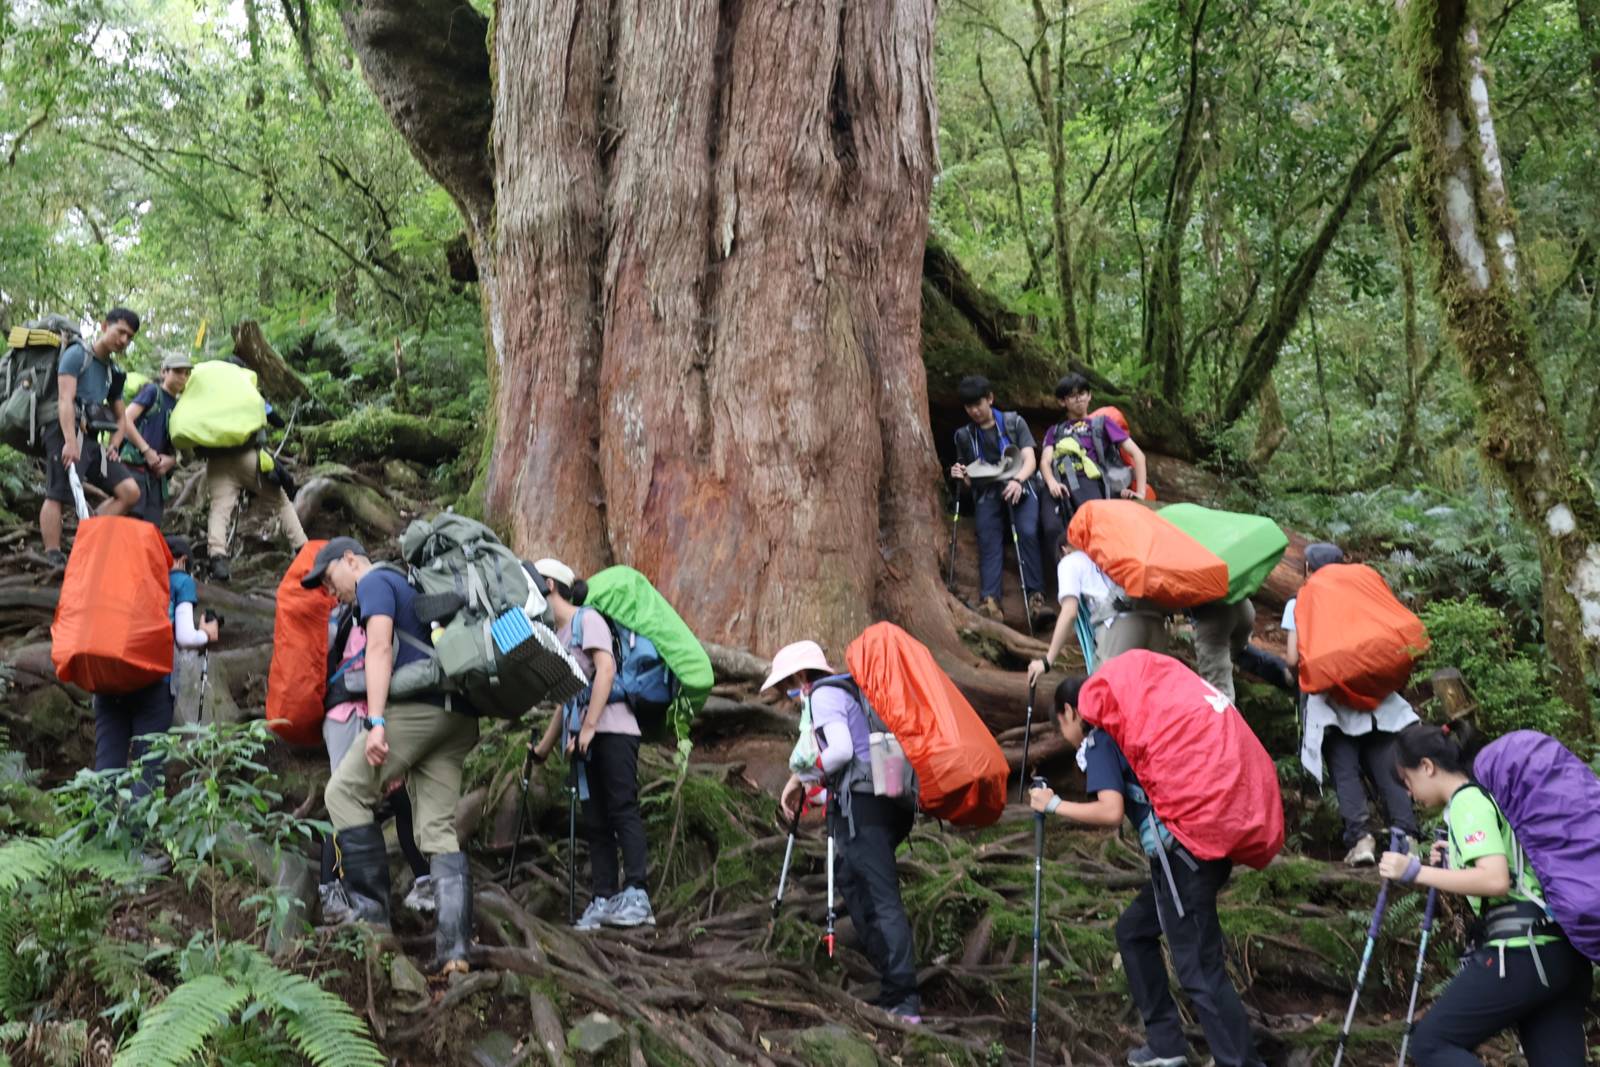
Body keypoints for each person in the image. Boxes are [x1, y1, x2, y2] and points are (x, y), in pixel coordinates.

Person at [1029, 677, 1265, 1067]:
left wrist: (1053, 805)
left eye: (1061, 723)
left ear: (1070, 712)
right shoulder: (1125, 733)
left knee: (1200, 970)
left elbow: (1110, 810)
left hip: (1183, 863)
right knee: (1134, 932)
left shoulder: (1101, 740)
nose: (1064, 733)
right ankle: (1167, 1044)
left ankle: (1241, 1062)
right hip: (1192, 855)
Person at [1377, 722, 1593, 1065]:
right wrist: (1452, 863)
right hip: (1562, 956)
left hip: (1523, 952)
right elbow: (1510, 868)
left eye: (1407, 781)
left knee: (1430, 1044)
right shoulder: (1491, 797)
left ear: (1428, 767)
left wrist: (1414, 871)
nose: (1409, 794)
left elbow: (1494, 881)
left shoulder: (1467, 802)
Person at [310, 537, 477, 973]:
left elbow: (380, 647)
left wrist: (377, 721)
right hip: (458, 718)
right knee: (437, 829)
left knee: (343, 794)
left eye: (331, 580)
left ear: (351, 560)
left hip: (418, 712)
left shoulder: (375, 582)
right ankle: (454, 952)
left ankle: (373, 926)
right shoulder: (411, 585)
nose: (333, 592)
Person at [764, 640, 922, 1022]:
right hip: (882, 801)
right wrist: (812, 788)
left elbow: (840, 752)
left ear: (803, 677)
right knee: (854, 883)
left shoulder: (822, 695)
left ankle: (904, 999)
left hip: (865, 810)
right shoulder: (849, 692)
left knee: (881, 898)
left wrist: (802, 776)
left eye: (789, 684)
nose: (792, 693)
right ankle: (892, 987)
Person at [530, 558, 655, 931]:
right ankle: (604, 897)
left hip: (613, 730)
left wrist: (589, 727)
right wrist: (544, 749)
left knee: (622, 809)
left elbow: (606, 669)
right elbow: (565, 701)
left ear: (549, 584)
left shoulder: (588, 620)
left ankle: (637, 895)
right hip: (582, 740)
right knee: (596, 820)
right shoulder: (559, 635)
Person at [1283, 543, 1419, 866]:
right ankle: (1407, 840)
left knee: (1345, 771)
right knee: (1388, 769)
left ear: (1307, 569)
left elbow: (1292, 658)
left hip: (1333, 703)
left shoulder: (1302, 600)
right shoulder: (1363, 589)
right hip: (1378, 698)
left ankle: (1362, 841)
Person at [316, 606, 436, 925]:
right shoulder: (367, 619)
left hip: (367, 716)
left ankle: (420, 881)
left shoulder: (369, 616)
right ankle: (332, 891)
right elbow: (374, 669)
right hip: (350, 715)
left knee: (398, 799)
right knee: (341, 798)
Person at [40, 308, 144, 566]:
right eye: (120, 332)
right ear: (104, 325)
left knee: (130, 492)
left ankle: (87, 536)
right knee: (57, 493)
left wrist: (115, 445)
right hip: (63, 431)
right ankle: (52, 553)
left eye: (129, 337)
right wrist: (69, 441)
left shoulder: (115, 373)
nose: (123, 340)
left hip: (92, 439)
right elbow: (65, 399)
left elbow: (121, 418)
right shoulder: (77, 355)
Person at [948, 374, 1053, 622]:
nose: (974, 411)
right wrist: (959, 474)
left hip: (1020, 486)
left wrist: (1017, 481)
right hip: (988, 493)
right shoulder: (965, 436)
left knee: (1027, 531)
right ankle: (991, 602)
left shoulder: (1014, 423)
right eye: (968, 406)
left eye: (978, 404)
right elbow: (969, 479)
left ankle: (1036, 598)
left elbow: (1030, 458)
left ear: (990, 399)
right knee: (987, 536)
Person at [203, 365, 305, 581]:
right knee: (281, 502)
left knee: (220, 508)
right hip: (247, 456)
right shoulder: (247, 391)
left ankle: (217, 557)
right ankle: (302, 548)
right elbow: (277, 420)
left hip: (216, 462)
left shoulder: (207, 396)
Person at [1027, 545, 1169, 687]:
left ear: (1064, 549)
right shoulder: (1111, 551)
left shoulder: (1069, 561)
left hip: (1120, 626)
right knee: (1154, 695)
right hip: (1155, 621)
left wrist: (1047, 660)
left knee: (1101, 695)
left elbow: (1069, 612)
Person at [1039, 373, 1148, 522]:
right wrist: (1052, 483)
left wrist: (1141, 494)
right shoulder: (1055, 430)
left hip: (1090, 479)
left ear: (1090, 396)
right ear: (1062, 401)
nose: (1078, 398)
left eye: (1082, 393)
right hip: (1059, 483)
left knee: (1092, 523)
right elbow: (1045, 461)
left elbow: (1138, 454)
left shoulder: (1102, 423)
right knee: (1052, 530)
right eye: (1072, 395)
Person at [110, 353, 191, 527]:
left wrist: (171, 461)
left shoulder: (179, 405)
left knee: (151, 525)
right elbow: (126, 419)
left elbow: (177, 445)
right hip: (135, 465)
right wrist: (146, 451)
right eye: (177, 371)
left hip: (156, 475)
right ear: (164, 372)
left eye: (186, 373)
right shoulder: (152, 391)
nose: (182, 377)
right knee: (131, 520)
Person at [1188, 599, 1256, 704]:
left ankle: (1224, 717)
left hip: (1213, 613)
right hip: (1242, 603)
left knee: (1219, 694)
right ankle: (1231, 667)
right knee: (1231, 652)